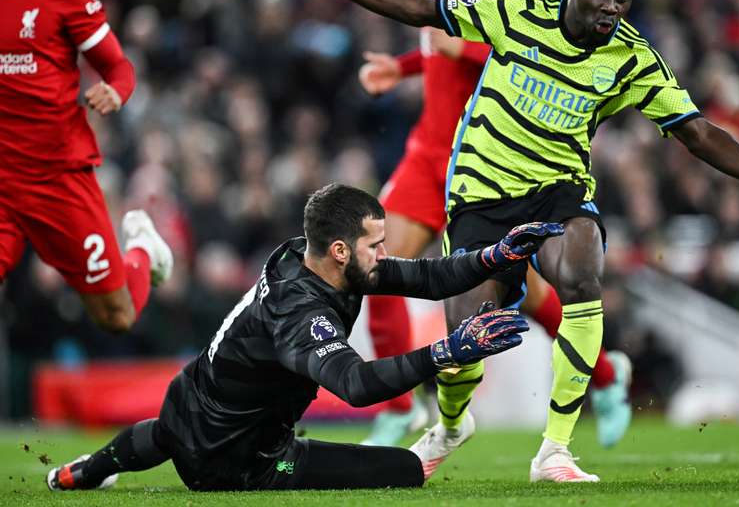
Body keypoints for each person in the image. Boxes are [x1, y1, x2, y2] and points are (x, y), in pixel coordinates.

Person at [249, 0, 739, 482]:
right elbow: (418, 7)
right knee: (465, 346)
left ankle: (555, 448)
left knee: (583, 273)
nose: (612, 7)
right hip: (480, 194)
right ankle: (453, 425)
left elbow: (695, 131)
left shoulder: (633, 58)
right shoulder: (518, 9)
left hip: (560, 191)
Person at [46, 183, 561, 491]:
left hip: (186, 405)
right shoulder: (301, 312)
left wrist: (496, 256)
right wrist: (447, 351)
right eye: (375, 245)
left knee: (166, 433)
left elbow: (428, 276)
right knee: (404, 470)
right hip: (238, 464)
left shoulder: (310, 256)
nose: (384, 255)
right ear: (340, 249)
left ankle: (82, 473)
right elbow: (356, 385)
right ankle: (98, 469)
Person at [357, 0, 630, 448]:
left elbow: (538, 56)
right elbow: (441, 36)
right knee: (374, 265)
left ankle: (606, 375)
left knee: (525, 298)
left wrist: (468, 49)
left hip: (494, 166)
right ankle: (397, 408)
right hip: (430, 153)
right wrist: (405, 66)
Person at [0, 0, 172, 333]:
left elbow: (119, 67)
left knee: (117, 317)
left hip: (57, 180)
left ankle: (142, 250)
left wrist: (116, 90)